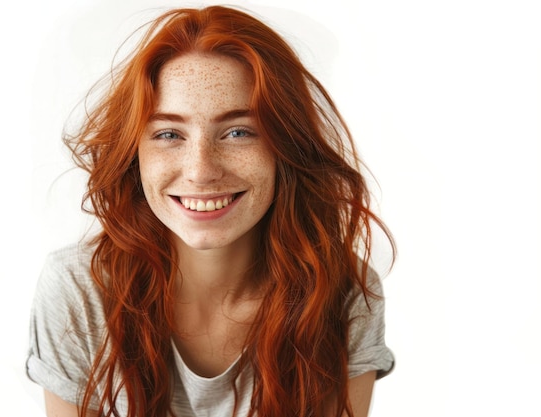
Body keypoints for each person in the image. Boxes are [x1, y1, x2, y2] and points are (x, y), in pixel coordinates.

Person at [26, 5, 395, 417]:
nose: (201, 170)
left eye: (238, 132)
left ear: (285, 149)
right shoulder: (79, 290)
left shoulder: (342, 291)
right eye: (169, 134)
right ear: (135, 156)